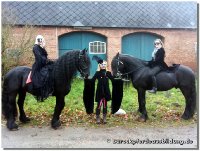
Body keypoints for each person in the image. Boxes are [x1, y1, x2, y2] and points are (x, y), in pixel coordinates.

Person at [91, 56, 114, 124]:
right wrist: (86, 79)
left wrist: (117, 78)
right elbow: (92, 80)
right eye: (102, 64)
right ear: (99, 65)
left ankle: (104, 117)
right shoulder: (97, 73)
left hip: (106, 92)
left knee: (105, 105)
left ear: (106, 65)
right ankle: (97, 117)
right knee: (99, 104)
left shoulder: (108, 73)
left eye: (104, 64)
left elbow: (113, 80)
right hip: (100, 92)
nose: (103, 66)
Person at [31, 35, 54, 101]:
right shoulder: (35, 47)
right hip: (39, 64)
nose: (40, 41)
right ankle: (42, 91)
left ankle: (51, 88)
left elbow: (45, 56)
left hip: (44, 63)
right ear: (37, 40)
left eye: (41, 39)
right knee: (45, 73)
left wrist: (43, 47)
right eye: (39, 39)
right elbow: (39, 57)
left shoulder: (41, 47)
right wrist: (46, 61)